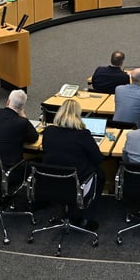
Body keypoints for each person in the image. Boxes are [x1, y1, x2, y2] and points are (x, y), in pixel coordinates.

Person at [41, 98, 103, 231]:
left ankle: (65, 207)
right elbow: (98, 158)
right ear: (78, 115)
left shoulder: (48, 131)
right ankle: (87, 216)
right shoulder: (83, 134)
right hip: (77, 180)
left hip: (52, 179)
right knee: (100, 174)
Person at [0, 89, 38, 169]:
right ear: (22, 107)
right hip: (8, 171)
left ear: (8, 101)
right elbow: (34, 138)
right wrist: (25, 118)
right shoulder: (22, 122)